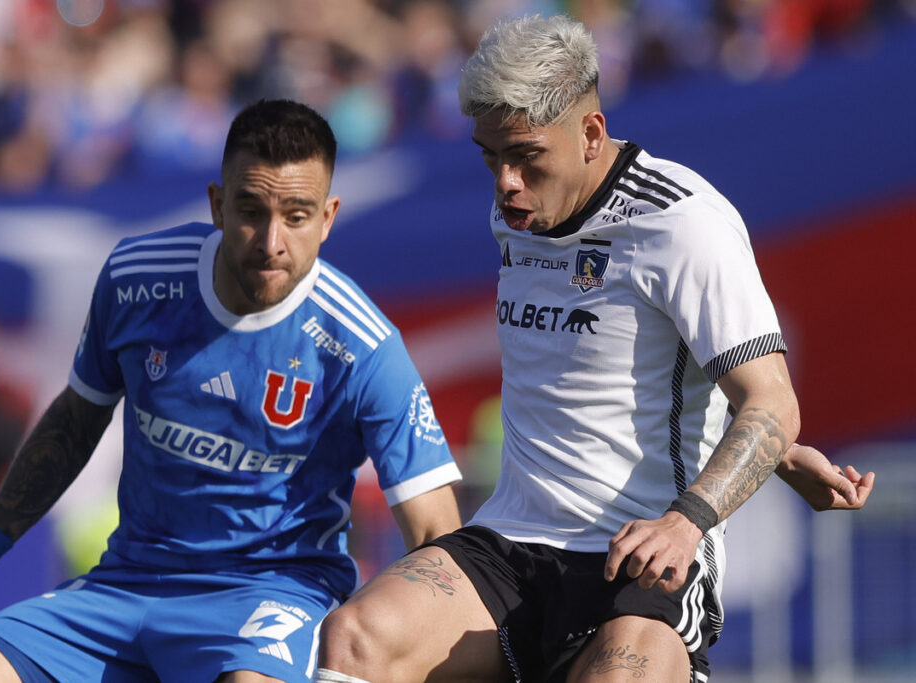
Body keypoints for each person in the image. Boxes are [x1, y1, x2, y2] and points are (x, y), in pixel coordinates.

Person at [315, 14, 875, 683]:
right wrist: (777, 455)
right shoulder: (518, 213)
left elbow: (772, 401)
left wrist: (688, 519)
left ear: (590, 134)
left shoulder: (683, 223)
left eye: (525, 156)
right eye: (491, 157)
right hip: (513, 540)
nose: (506, 183)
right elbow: (621, 366)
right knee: (353, 639)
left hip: (641, 556)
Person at [0, 98, 463, 683]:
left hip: (268, 598)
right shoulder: (136, 279)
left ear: (329, 217)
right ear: (217, 204)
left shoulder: (363, 346)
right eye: (251, 211)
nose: (271, 242)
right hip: (121, 587)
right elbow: (73, 424)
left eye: (296, 215)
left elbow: (436, 533)